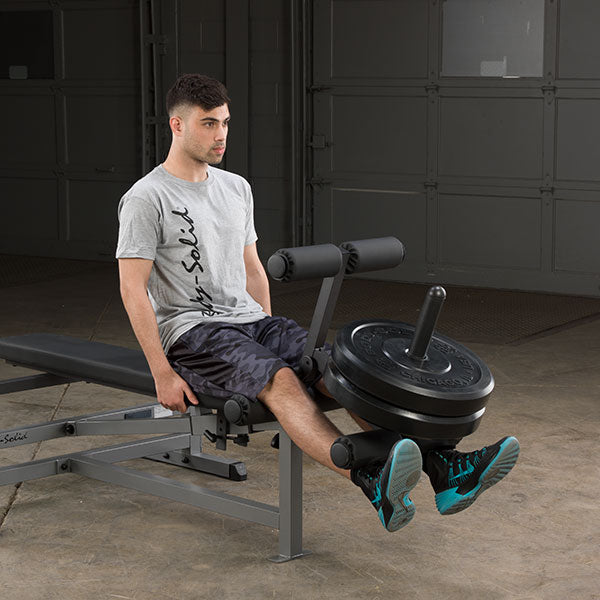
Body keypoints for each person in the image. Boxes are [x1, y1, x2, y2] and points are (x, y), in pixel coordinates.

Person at [116, 74, 520, 532]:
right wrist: (161, 372)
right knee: (281, 379)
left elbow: (252, 269)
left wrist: (264, 329)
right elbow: (133, 288)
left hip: (251, 321)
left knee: (341, 368)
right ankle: (371, 480)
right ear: (177, 125)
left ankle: (446, 470)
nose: (221, 134)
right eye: (208, 124)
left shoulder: (236, 187)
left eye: (225, 123)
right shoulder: (146, 198)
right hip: (194, 333)